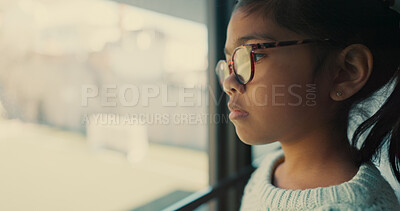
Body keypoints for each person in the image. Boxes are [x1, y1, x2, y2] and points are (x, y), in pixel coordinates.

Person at [215, 0, 400, 210]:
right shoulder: (269, 170)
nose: (229, 82)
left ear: (345, 72)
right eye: (229, 62)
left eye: (253, 55)